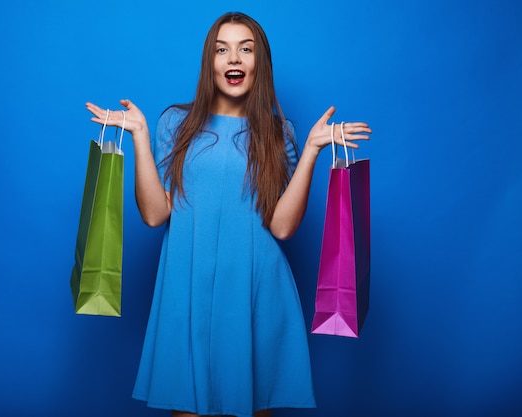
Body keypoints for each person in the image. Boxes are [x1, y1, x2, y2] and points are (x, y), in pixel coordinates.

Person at [85, 11, 371, 417]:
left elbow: (283, 227)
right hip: (187, 290)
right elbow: (154, 215)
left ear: (260, 63)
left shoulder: (279, 132)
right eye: (222, 49)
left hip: (256, 292)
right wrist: (140, 137)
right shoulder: (176, 123)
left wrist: (310, 151)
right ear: (210, 61)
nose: (233, 58)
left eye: (245, 49)